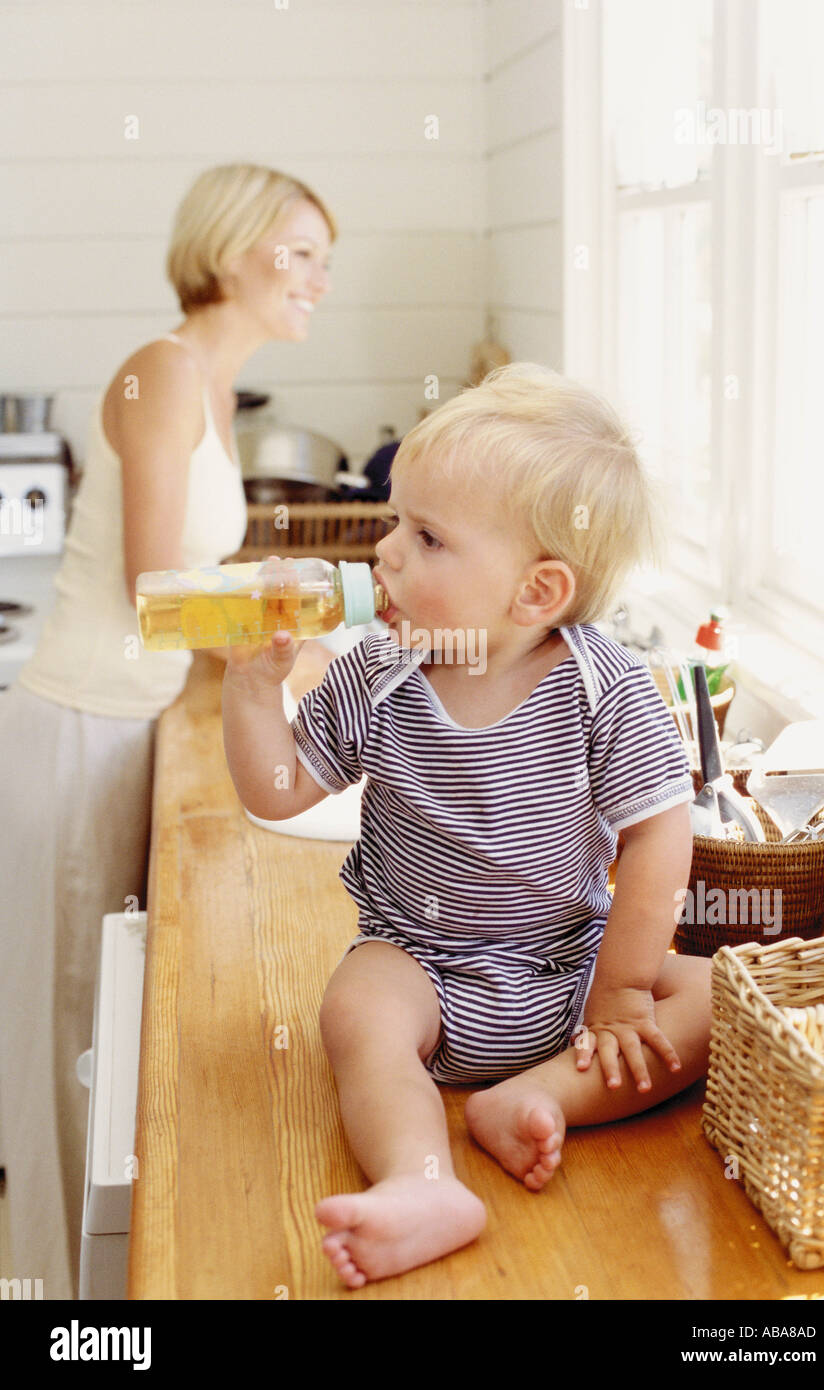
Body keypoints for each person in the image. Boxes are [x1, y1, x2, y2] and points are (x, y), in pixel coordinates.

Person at [220, 361, 712, 1290]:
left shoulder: (605, 689)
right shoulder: (380, 669)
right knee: (356, 1012)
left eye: (428, 537)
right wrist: (251, 688)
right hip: (422, 969)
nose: (387, 554)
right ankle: (422, 1181)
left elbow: (660, 834)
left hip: (568, 971)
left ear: (537, 593)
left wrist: (622, 993)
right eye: (395, 522)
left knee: (719, 1001)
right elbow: (281, 790)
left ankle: (535, 1096)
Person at [0, 162, 336, 1298]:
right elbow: (157, 587)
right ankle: (46, 1295)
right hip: (74, 726)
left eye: (322, 262)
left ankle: (82, 1288)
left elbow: (200, 572)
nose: (317, 283)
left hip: (124, 723)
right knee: (53, 1033)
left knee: (92, 1018)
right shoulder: (160, 371)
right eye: (299, 254)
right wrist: (306, 612)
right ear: (231, 249)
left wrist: (295, 621)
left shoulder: (212, 391)